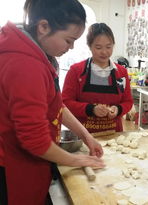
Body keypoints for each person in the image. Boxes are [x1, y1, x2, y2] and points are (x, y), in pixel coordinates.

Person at [0, 0, 105, 204]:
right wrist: (77, 160)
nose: (72, 47)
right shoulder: (24, 65)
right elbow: (34, 140)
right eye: (68, 40)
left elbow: (56, 105)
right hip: (12, 168)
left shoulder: (38, 53)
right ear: (43, 27)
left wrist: (86, 136)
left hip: (31, 160)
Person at [62, 23, 133, 133]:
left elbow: (128, 101)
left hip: (114, 135)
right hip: (83, 135)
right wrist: (91, 109)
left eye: (108, 47)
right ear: (89, 46)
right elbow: (65, 102)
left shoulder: (121, 72)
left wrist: (118, 109)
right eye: (98, 47)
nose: (104, 52)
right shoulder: (76, 71)